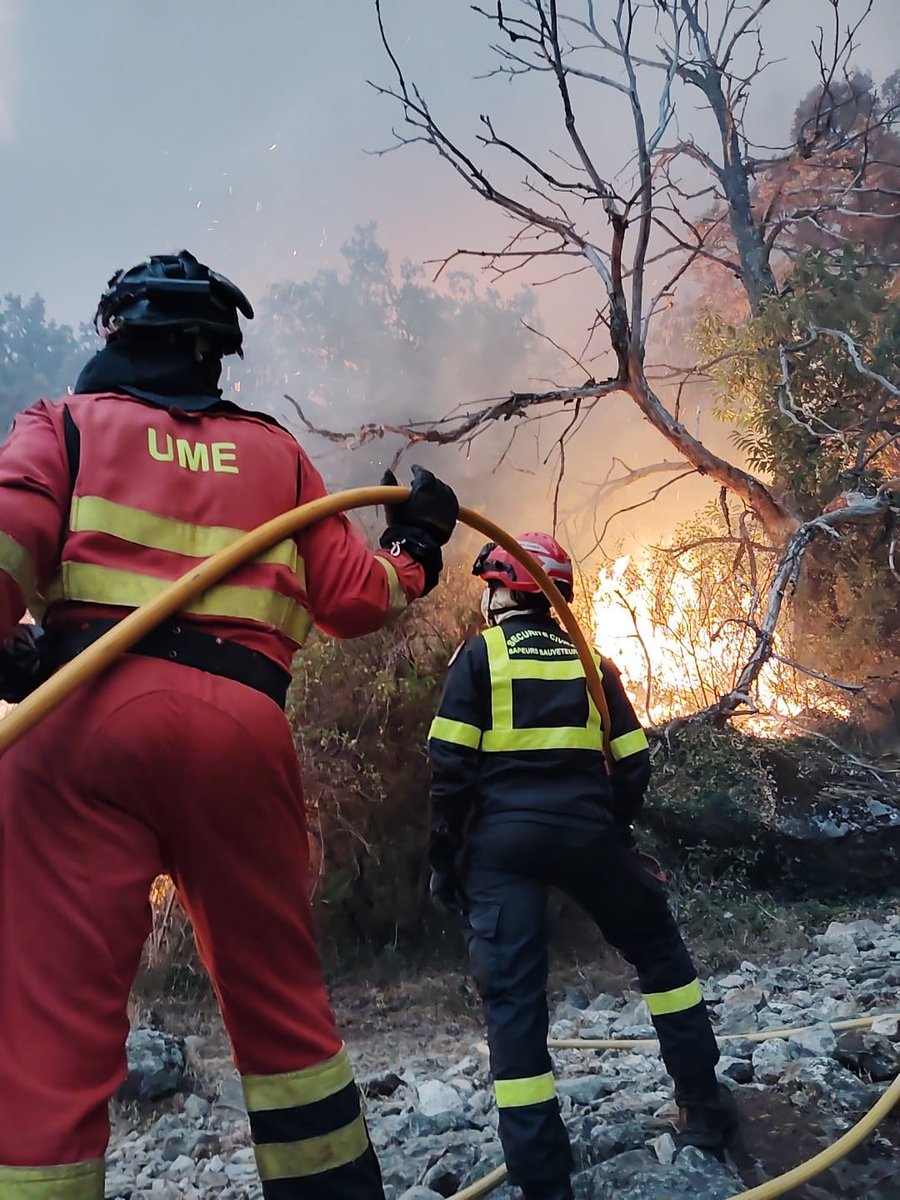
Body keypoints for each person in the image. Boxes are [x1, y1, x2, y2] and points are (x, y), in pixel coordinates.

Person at [0, 250, 458, 1200]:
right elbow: (356, 597)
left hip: (79, 728)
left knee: (49, 1027)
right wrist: (416, 544)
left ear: (116, 333)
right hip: (240, 736)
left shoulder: (64, 424)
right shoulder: (275, 453)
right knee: (282, 1010)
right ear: (216, 355)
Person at [426, 533, 737, 1200]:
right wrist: (610, 832)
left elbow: (449, 770)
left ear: (505, 590)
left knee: (514, 1006)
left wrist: (446, 859)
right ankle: (704, 1107)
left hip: (501, 849)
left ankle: (544, 1182)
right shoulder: (592, 663)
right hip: (587, 831)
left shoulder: (480, 657)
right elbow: (633, 763)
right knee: (659, 952)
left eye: (491, 586)